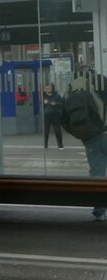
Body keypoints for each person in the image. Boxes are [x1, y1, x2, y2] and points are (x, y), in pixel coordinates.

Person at [66, 69, 107, 221]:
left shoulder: (72, 88)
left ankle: (99, 211)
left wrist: (83, 135)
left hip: (91, 139)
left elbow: (65, 118)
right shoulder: (101, 82)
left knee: (97, 175)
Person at [42, 82, 64, 149]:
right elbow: (42, 106)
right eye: (46, 88)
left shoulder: (57, 96)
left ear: (52, 88)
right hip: (47, 114)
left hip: (55, 114)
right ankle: (45, 145)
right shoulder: (44, 96)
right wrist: (44, 103)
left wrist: (56, 103)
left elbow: (62, 103)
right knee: (46, 130)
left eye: (49, 88)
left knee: (57, 130)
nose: (47, 89)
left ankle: (60, 145)